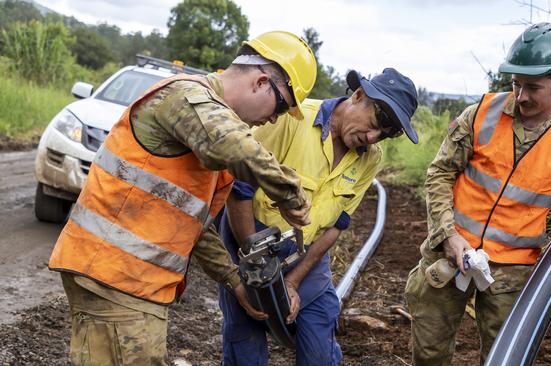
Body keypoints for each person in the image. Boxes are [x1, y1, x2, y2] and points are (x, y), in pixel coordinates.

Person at [48, 30, 318, 365]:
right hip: (114, 277)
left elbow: (194, 224)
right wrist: (289, 191)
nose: (274, 118)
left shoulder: (209, 125)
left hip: (128, 284)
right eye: (281, 105)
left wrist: (234, 281)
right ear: (261, 82)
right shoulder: (186, 97)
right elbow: (226, 144)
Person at [404, 22, 551, 365]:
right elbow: (440, 173)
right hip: (450, 255)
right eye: (515, 84)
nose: (521, 96)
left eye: (533, 87)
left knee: (505, 358)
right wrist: (447, 235)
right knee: (429, 353)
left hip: (512, 276)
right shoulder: (481, 113)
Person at [217, 68, 419, 365]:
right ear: (358, 95)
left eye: (383, 135)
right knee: (245, 337)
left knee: (320, 338)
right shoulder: (292, 120)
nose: (372, 137)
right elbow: (240, 188)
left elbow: (338, 225)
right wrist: (255, 264)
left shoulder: (371, 158)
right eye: (374, 124)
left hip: (305, 253)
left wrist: (294, 281)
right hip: (249, 240)